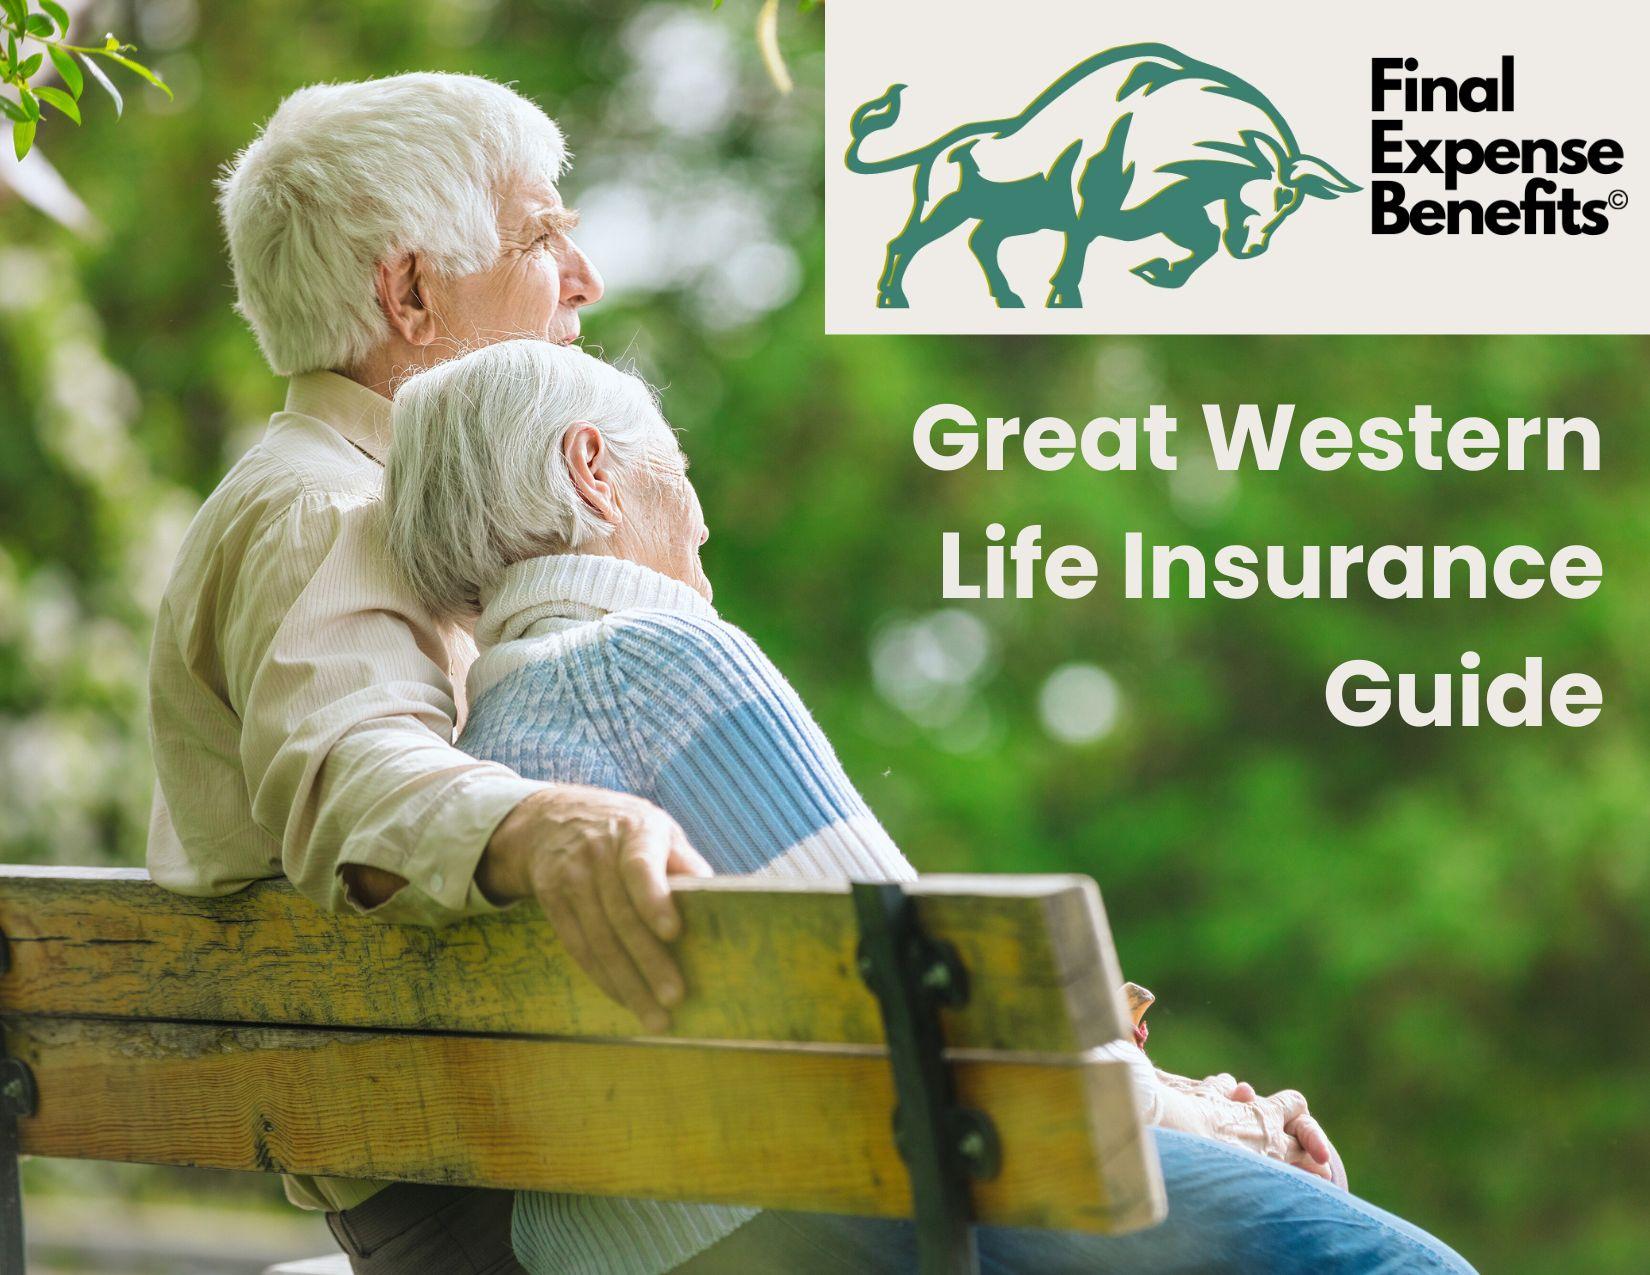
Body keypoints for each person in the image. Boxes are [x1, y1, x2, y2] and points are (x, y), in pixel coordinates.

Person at [379, 337, 1477, 1275]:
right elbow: (934, 1005)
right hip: (798, 1206)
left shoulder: (485, 737)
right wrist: (1218, 1123)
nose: (701, 511)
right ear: (595, 472)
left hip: (613, 1234)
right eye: (677, 465)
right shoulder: (655, 657)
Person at [146, 74, 711, 1273]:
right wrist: (545, 822)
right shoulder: (330, 508)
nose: (585, 277)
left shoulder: (382, 503)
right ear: (410, 292)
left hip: (505, 1141)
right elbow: (352, 772)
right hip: (485, 1192)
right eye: (540, 233)